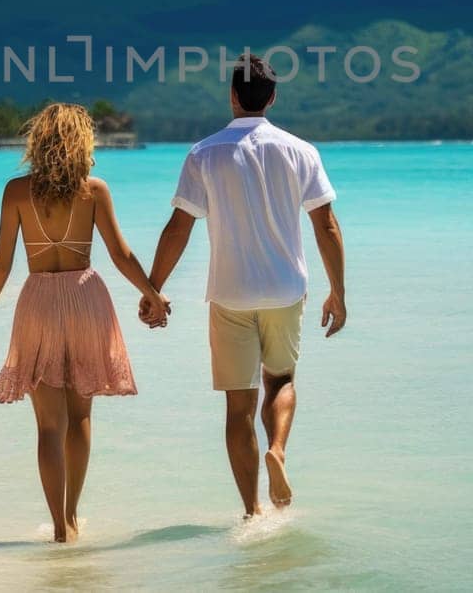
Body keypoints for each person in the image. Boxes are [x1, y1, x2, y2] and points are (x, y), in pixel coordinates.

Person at [141, 54, 347, 516]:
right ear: (271, 98)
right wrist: (339, 291)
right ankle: (277, 447)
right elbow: (327, 226)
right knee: (282, 381)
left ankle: (251, 511)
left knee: (238, 406)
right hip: (285, 290)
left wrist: (153, 288)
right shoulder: (301, 151)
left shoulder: (203, 153)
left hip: (230, 294)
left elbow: (179, 227)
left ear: (232, 95)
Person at [0, 103, 170, 543]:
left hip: (39, 300)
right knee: (80, 416)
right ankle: (74, 516)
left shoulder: (16, 192)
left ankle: (58, 526)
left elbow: (2, 263)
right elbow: (120, 255)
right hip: (84, 298)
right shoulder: (93, 191)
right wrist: (151, 292)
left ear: (37, 142)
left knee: (48, 425)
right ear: (83, 143)